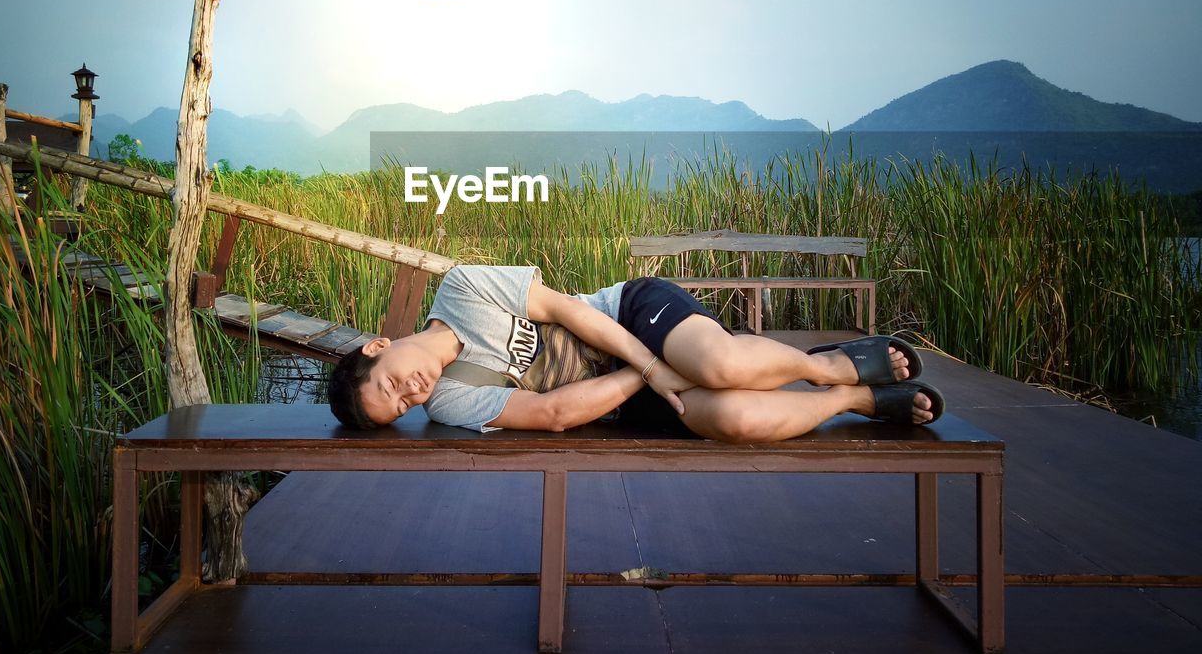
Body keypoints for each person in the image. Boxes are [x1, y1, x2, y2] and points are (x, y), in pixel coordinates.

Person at [327, 264, 943, 441]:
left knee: (721, 367)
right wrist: (644, 378)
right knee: (735, 419)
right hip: (621, 392)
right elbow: (554, 414)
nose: (411, 395)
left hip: (627, 315)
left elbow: (569, 309)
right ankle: (858, 398)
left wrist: (650, 363)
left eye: (390, 385)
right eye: (399, 409)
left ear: (378, 347)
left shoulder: (462, 288)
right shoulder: (449, 403)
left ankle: (828, 363)